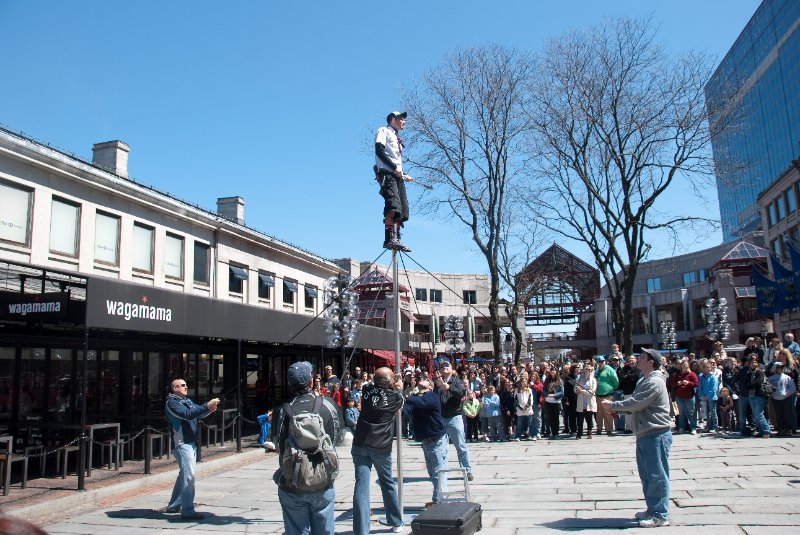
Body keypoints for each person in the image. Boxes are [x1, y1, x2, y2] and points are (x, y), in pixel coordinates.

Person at [602, 348, 672, 528]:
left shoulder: (655, 381)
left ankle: (660, 515)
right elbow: (636, 405)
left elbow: (637, 402)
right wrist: (617, 409)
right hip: (644, 433)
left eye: (642, 357)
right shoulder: (644, 380)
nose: (638, 359)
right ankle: (652, 509)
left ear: (651, 361)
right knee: (647, 475)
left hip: (656, 433)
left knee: (657, 475)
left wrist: (614, 405)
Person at [272, 361, 342, 535]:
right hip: (322, 478)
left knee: (295, 530)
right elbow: (338, 437)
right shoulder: (328, 405)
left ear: (289, 384)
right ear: (311, 381)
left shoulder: (281, 411)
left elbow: (277, 442)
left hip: (292, 480)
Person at [351, 367, 405, 535]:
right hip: (381, 446)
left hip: (361, 443)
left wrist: (390, 381)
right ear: (389, 382)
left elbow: (375, 384)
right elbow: (400, 401)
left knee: (361, 485)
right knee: (387, 482)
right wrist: (398, 387)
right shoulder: (395, 397)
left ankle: (361, 529)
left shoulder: (367, 390)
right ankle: (395, 521)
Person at [161, 378, 220, 520]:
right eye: (182, 385)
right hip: (181, 443)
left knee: (184, 474)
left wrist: (208, 410)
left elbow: (196, 414)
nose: (185, 387)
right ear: (174, 388)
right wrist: (206, 405)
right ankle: (187, 510)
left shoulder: (187, 401)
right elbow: (187, 415)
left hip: (190, 442)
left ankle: (174, 504)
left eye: (186, 384)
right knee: (189, 476)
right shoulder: (172, 403)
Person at [403, 377, 449, 506]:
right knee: (432, 471)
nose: (422, 379)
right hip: (425, 439)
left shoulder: (432, 396)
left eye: (426, 380)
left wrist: (409, 398)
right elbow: (406, 411)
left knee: (438, 471)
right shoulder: (415, 398)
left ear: (430, 387)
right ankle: (437, 499)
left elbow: (423, 403)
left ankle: (440, 501)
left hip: (436, 438)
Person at [374, 111, 412, 251]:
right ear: (392, 119)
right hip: (387, 174)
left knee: (402, 208)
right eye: (401, 119)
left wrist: (404, 174)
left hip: (397, 176)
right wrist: (394, 167)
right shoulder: (383, 131)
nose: (404, 122)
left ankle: (396, 238)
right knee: (393, 204)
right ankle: (389, 238)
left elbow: (395, 161)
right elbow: (379, 151)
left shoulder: (397, 138)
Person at [434, 359, 474, 480]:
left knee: (461, 446)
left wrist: (448, 387)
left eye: (447, 365)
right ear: (440, 370)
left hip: (454, 417)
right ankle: (441, 472)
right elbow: (434, 399)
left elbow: (462, 394)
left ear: (452, 369)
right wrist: (437, 387)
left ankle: (467, 470)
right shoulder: (437, 382)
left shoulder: (457, 381)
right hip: (441, 418)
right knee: (441, 448)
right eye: (442, 366)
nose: (445, 367)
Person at [669, 359, 698, 434]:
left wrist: (688, 383)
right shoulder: (676, 374)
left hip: (689, 397)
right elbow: (672, 384)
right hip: (679, 397)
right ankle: (681, 427)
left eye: (686, 366)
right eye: (683, 366)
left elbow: (696, 384)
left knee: (691, 413)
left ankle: (693, 427)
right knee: (680, 413)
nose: (685, 367)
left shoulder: (692, 374)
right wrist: (677, 383)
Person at [594, 356, 619, 436]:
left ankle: (609, 429)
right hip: (598, 395)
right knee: (599, 414)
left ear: (605, 361)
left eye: (602, 361)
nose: (600, 363)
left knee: (608, 413)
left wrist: (612, 388)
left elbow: (616, 381)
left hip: (608, 395)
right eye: (599, 362)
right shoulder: (597, 371)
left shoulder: (610, 370)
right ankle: (599, 428)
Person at [617, 355, 642, 433]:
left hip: (637, 392)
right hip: (627, 392)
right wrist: (629, 377)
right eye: (629, 359)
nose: (631, 360)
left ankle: (637, 427)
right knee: (628, 411)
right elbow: (621, 378)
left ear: (636, 359)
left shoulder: (639, 369)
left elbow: (637, 377)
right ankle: (629, 428)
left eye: (632, 358)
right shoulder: (624, 369)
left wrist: (627, 377)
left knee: (637, 411)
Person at [575, 364, 597, 439]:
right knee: (580, 419)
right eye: (588, 369)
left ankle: (589, 432)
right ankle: (579, 433)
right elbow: (575, 389)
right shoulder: (579, 379)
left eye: (591, 370)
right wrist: (577, 390)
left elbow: (592, 391)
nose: (589, 371)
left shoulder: (593, 380)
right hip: (581, 401)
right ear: (584, 370)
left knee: (589, 418)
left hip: (589, 401)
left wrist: (582, 391)